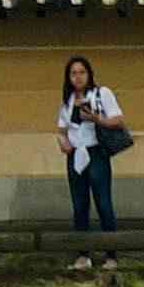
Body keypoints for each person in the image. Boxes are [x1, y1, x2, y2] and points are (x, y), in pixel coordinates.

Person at [57, 55, 123, 233]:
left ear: (89, 74)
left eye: (82, 72)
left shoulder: (102, 94)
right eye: (73, 73)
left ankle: (111, 253)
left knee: (103, 202)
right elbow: (62, 130)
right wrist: (63, 143)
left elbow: (117, 120)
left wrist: (95, 118)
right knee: (79, 204)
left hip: (96, 153)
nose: (78, 77)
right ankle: (83, 253)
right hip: (75, 154)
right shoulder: (67, 101)